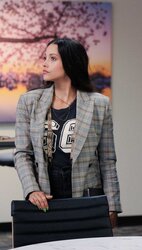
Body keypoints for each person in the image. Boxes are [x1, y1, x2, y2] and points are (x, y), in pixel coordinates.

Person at [14, 38, 121, 227]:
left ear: (71, 63)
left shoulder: (99, 104)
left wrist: (112, 205)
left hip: (87, 192)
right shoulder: (29, 102)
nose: (44, 63)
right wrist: (31, 190)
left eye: (52, 58)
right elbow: (23, 153)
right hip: (46, 193)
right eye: (45, 57)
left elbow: (107, 159)